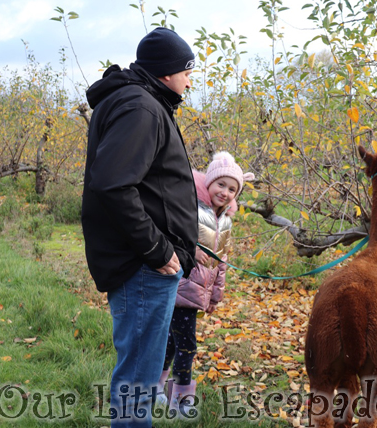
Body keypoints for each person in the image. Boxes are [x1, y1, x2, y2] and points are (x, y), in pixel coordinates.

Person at [81, 27, 199, 427]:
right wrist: (159, 250)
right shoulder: (142, 108)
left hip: (141, 264)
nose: (189, 79)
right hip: (143, 268)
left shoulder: (138, 101)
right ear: (167, 71)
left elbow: (151, 183)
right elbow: (113, 183)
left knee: (138, 375)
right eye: (186, 69)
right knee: (139, 379)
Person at [155, 152, 254, 416]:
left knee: (172, 343)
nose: (225, 192)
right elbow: (171, 235)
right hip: (180, 287)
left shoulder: (226, 221)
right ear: (209, 183)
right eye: (221, 185)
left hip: (197, 292)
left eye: (232, 188)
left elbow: (222, 262)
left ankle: (156, 386)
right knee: (187, 345)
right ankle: (180, 401)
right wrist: (190, 249)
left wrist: (215, 296)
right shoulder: (191, 208)